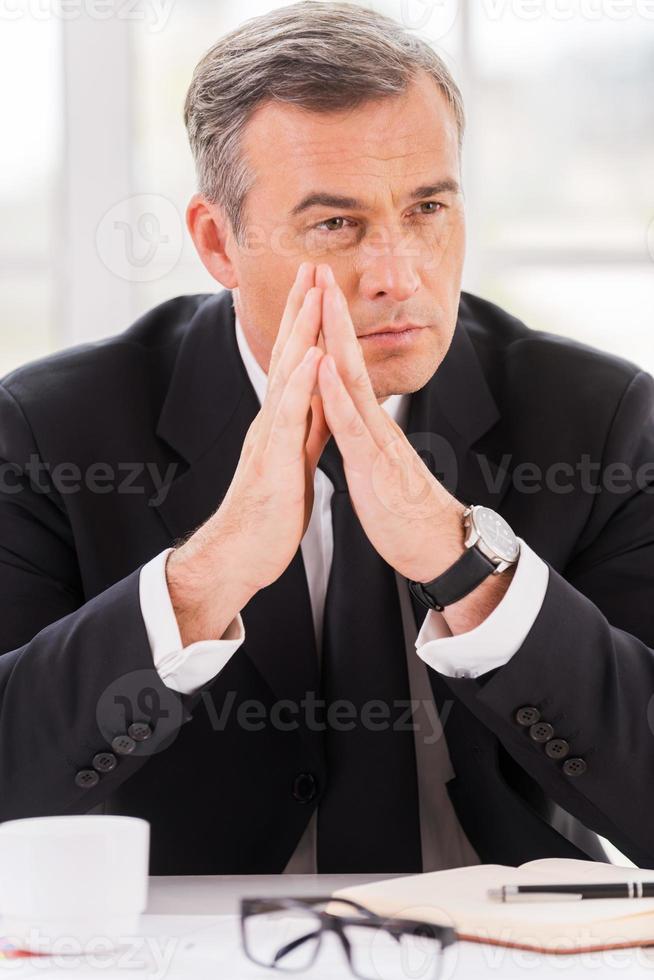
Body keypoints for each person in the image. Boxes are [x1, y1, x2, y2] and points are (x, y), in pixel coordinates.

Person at [0, 1, 652, 875]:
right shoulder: (52, 432)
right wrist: (205, 577)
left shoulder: (601, 421)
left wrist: (467, 569)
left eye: (426, 208)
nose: (397, 276)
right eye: (336, 225)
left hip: (503, 945)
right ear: (218, 243)